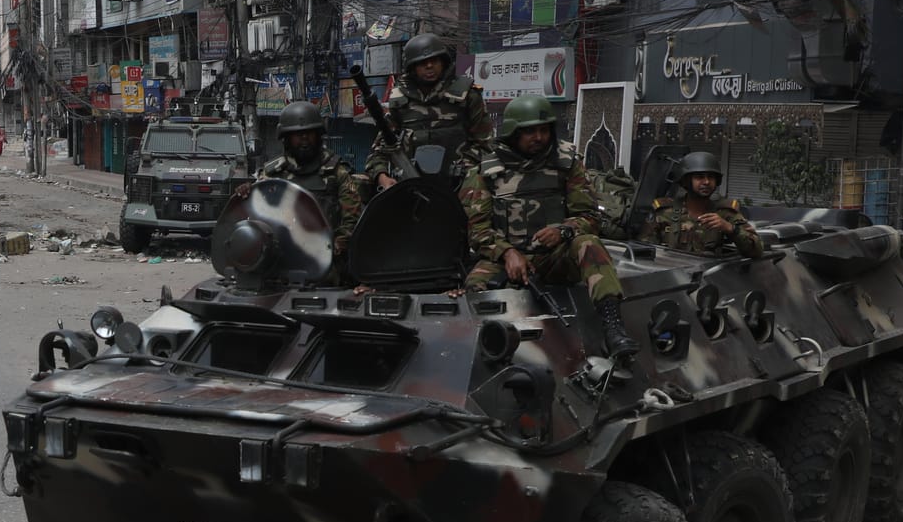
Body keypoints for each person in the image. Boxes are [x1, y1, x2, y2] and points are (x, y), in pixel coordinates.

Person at [460, 94, 639, 358]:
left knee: (589, 245)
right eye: (530, 131)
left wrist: (564, 231)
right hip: (504, 259)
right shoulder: (486, 172)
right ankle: (487, 351)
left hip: (553, 256)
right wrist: (507, 252)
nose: (539, 137)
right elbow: (477, 232)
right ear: (513, 132)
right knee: (474, 286)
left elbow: (589, 216)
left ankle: (613, 329)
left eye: (544, 130)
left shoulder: (567, 163)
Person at [254, 101, 370, 281]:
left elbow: (353, 217)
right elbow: (255, 218)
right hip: (278, 264)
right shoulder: (271, 174)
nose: (304, 139)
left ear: (318, 135)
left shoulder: (336, 172)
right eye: (298, 135)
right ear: (286, 138)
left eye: (309, 133)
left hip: (326, 265)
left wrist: (337, 246)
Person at [366, 33, 495, 187]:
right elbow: (381, 149)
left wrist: (463, 168)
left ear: (443, 62)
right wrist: (382, 176)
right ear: (412, 67)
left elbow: (486, 145)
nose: (429, 66)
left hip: (461, 185)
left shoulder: (467, 94)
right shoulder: (399, 101)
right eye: (422, 63)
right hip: (411, 185)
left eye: (434, 60)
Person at [648, 151, 764, 257]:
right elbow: (643, 253)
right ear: (686, 180)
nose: (707, 182)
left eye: (711, 177)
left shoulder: (725, 212)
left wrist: (729, 228)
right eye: (700, 177)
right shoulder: (664, 212)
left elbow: (757, 250)